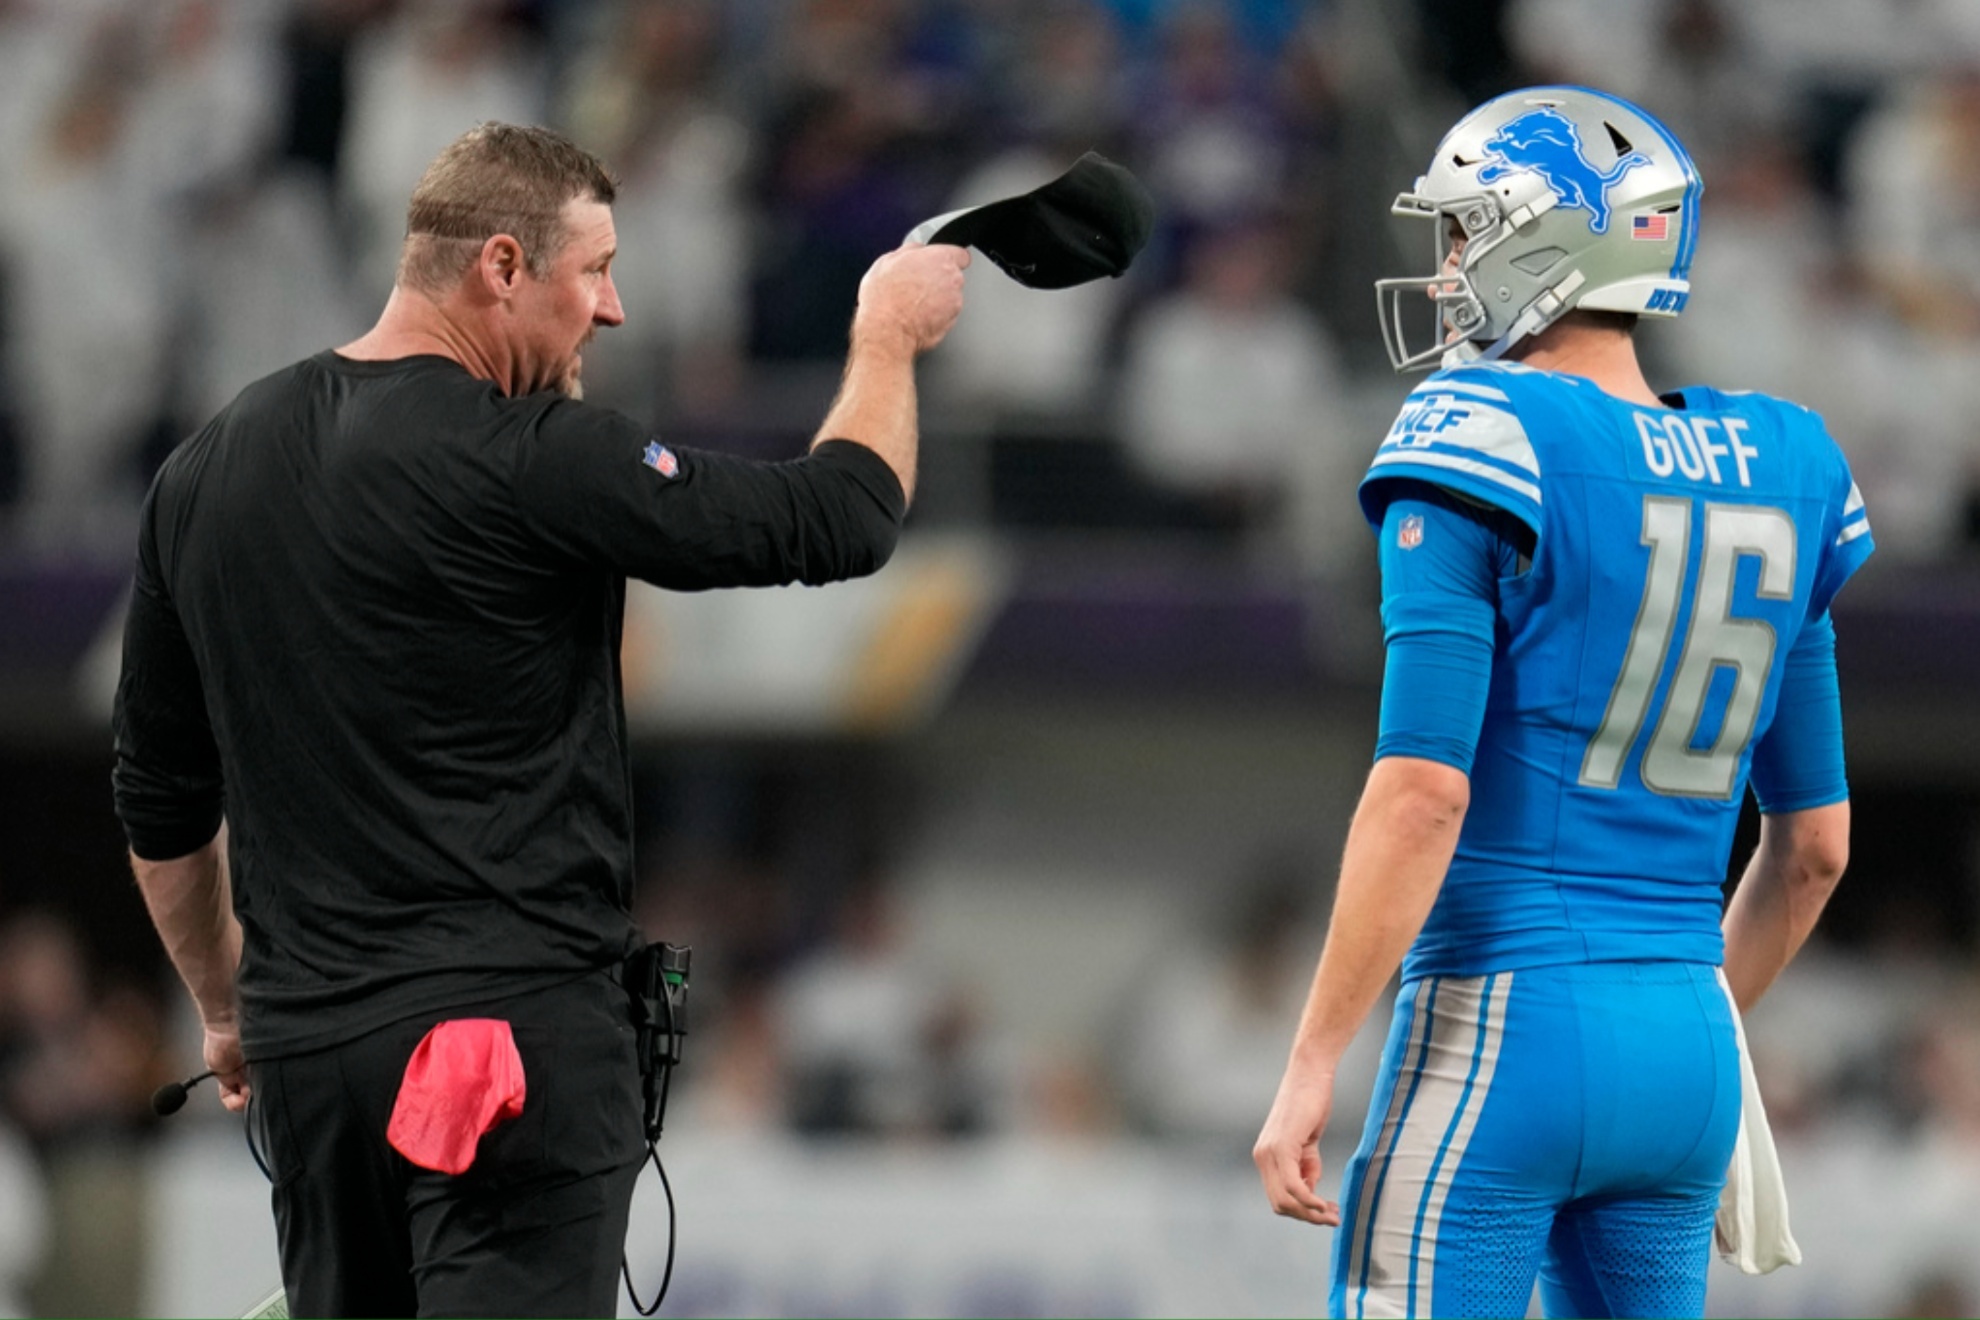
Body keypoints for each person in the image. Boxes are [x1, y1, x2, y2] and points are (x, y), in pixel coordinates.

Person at [110, 121, 967, 1318]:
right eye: (595, 270)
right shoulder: (532, 457)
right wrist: (887, 336)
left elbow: (158, 797)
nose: (611, 312)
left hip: (314, 1069)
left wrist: (221, 1006)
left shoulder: (202, 472)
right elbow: (840, 516)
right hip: (503, 1053)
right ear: (501, 267)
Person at [1253, 86, 1871, 1318]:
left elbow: (1424, 790)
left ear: (1548, 236)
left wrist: (1314, 1054)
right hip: (1688, 1041)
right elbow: (1813, 850)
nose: (1447, 263)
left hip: (1507, 1017)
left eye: (1466, 227)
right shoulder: (1788, 462)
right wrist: (1676, 1014)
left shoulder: (1482, 426)